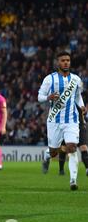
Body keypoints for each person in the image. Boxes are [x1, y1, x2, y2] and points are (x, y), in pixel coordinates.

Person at [38, 51, 85, 190]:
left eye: (68, 60)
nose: (66, 62)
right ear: (58, 62)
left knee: (71, 147)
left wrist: (81, 106)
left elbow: (77, 96)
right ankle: (47, 156)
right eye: (63, 60)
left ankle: (73, 181)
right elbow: (39, 97)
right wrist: (48, 97)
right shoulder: (49, 79)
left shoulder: (76, 79)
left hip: (71, 119)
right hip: (54, 120)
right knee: (54, 152)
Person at [44, 105, 88, 177]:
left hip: (79, 126)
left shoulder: (77, 98)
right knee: (63, 148)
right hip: (67, 125)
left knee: (83, 147)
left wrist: (84, 111)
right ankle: (60, 168)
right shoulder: (64, 101)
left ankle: (86, 169)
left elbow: (83, 112)